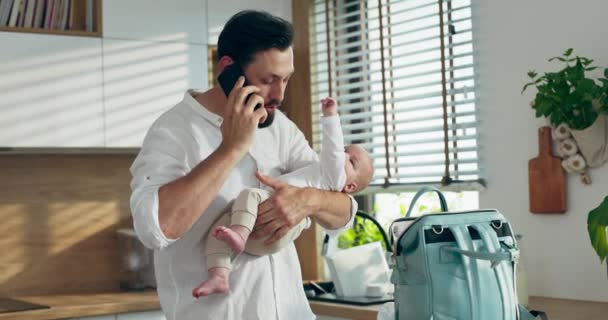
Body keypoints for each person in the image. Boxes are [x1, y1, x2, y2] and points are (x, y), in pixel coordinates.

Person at [129, 10, 359, 320]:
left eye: (286, 79)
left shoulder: (282, 128)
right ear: (228, 68)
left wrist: (307, 201)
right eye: (268, 80)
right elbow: (155, 229)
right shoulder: (174, 130)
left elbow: (341, 214)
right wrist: (231, 148)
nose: (279, 94)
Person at [192, 97, 374, 298]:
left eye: (352, 161)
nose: (343, 155)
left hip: (274, 230)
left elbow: (334, 154)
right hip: (259, 238)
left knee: (249, 196)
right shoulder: (321, 170)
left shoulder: (334, 175)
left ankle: (239, 235)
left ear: (349, 186)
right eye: (345, 151)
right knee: (219, 231)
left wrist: (330, 117)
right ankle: (219, 275)